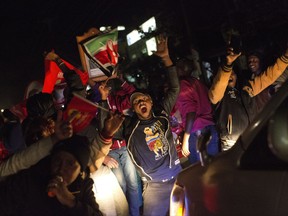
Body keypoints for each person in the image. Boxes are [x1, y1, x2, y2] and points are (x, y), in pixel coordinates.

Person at [122, 35, 182, 216]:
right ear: (134, 108)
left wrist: (166, 59)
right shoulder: (129, 128)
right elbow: (105, 129)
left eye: (144, 99)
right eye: (137, 101)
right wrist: (101, 97)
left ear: (150, 101)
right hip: (154, 187)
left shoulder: (162, 113)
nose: (141, 102)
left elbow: (174, 89)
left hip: (178, 178)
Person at [0, 134, 102, 215]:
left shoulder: (84, 188)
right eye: (57, 161)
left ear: (80, 170)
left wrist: (71, 201)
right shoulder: (31, 178)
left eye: (70, 164)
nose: (61, 169)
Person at [209, 46, 288, 151]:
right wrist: (227, 65)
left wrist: (285, 58)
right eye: (227, 73)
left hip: (253, 139)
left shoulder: (246, 88)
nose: (230, 75)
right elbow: (220, 84)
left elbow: (269, 76)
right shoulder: (217, 95)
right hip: (232, 145)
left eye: (233, 72)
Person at [97, 75, 141, 216]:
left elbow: (133, 94)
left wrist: (121, 79)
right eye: (104, 84)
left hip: (124, 147)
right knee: (121, 185)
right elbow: (103, 123)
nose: (107, 86)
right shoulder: (98, 102)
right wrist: (103, 98)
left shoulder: (118, 100)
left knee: (133, 184)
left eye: (109, 83)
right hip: (110, 151)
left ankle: (135, 213)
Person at [174, 58, 220, 164]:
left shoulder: (183, 85)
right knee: (214, 168)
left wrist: (185, 138)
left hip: (197, 132)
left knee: (198, 171)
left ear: (180, 70)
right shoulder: (197, 82)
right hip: (209, 128)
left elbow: (191, 112)